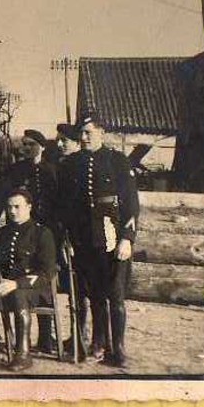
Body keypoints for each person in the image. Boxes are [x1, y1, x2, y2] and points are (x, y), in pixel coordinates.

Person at [56, 115, 139, 367]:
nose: (83, 137)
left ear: (102, 132)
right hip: (84, 240)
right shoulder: (70, 164)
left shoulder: (118, 161)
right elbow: (65, 205)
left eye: (89, 132)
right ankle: (98, 344)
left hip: (112, 237)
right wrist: (66, 238)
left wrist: (127, 238)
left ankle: (119, 349)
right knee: (94, 295)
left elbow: (131, 204)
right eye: (81, 132)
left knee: (115, 295)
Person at [0, 188, 60, 372]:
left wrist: (16, 283)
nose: (12, 211)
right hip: (8, 285)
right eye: (9, 207)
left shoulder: (42, 233)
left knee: (20, 295)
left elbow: (47, 272)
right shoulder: (3, 233)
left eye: (17, 207)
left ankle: (23, 354)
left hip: (37, 289)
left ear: (29, 207)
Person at [0, 129, 58, 233]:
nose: (27, 147)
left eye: (32, 144)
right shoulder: (15, 170)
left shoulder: (52, 170)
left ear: (42, 147)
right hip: (22, 223)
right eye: (25, 144)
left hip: (48, 222)